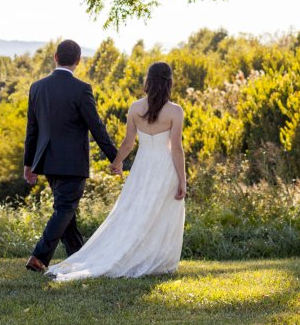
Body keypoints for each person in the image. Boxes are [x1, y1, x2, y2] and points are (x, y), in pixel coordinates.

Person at [46, 61, 186, 281]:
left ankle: (133, 254)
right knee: (159, 213)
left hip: (142, 167)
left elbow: (127, 144)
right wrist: (182, 180)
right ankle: (155, 258)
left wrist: (117, 162)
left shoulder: (135, 108)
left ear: (148, 81)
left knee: (133, 211)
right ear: (169, 82)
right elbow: (176, 148)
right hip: (164, 169)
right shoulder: (175, 111)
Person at [21, 39, 119, 273]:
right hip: (73, 163)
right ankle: (39, 256)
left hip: (47, 161)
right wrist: (115, 157)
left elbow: (31, 130)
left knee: (66, 212)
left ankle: (79, 258)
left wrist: (28, 164)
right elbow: (96, 127)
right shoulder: (81, 89)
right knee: (64, 210)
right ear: (78, 61)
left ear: (55, 57)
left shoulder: (37, 87)